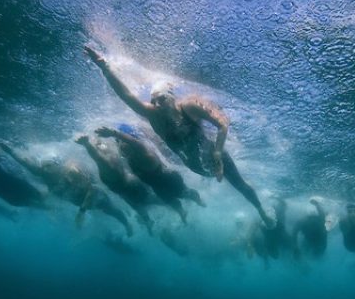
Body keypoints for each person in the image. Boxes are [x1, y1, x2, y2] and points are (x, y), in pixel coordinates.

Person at [83, 45, 274, 228]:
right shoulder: (153, 115)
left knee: (239, 185)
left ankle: (261, 210)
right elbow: (127, 96)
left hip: (216, 159)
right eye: (154, 100)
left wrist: (217, 152)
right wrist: (104, 66)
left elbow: (223, 123)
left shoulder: (190, 106)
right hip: (195, 166)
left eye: (162, 98)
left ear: (172, 96)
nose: (157, 104)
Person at [0, 142, 134, 236]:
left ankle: (127, 224)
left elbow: (93, 190)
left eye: (50, 167)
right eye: (45, 167)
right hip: (76, 201)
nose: (47, 171)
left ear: (58, 165)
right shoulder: (41, 172)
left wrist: (82, 212)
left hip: (95, 199)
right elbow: (25, 162)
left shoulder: (71, 172)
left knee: (112, 211)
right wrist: (10, 151)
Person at [95, 124, 204, 224]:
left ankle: (200, 202)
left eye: (123, 142)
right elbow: (112, 157)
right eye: (118, 143)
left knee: (185, 193)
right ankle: (182, 214)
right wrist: (99, 144)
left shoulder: (142, 151)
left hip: (170, 179)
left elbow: (135, 142)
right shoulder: (127, 158)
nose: (121, 146)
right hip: (157, 187)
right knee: (171, 202)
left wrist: (114, 133)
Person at [75, 134, 155, 234]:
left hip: (129, 188)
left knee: (141, 204)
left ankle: (149, 223)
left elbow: (98, 157)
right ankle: (149, 223)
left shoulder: (111, 158)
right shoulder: (108, 163)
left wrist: (87, 144)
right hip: (130, 186)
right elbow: (98, 158)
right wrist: (86, 144)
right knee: (146, 202)